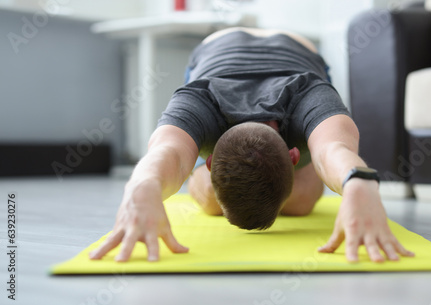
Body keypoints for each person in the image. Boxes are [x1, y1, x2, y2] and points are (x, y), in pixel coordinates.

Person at [89, 27, 414, 263]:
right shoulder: (198, 98)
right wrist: (143, 187)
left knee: (299, 202)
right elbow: (167, 154)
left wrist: (358, 184)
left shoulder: (309, 92)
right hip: (217, 47)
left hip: (295, 49)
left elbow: (334, 152)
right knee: (235, 198)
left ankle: (273, 186)